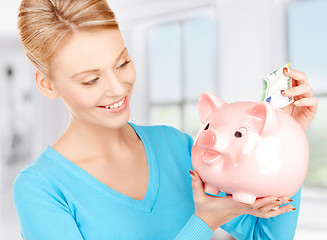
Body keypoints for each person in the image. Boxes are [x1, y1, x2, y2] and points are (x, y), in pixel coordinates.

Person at [13, 0, 318, 239]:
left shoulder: (175, 146)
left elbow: (266, 236)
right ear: (47, 85)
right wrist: (204, 223)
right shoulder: (41, 188)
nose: (118, 88)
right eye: (91, 80)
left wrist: (285, 142)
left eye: (123, 63)